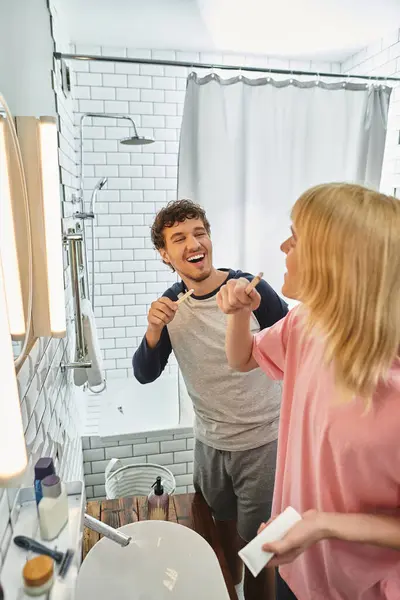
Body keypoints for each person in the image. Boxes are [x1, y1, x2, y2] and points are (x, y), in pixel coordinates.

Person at [217, 182, 400, 600]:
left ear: (336, 262)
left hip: (358, 587)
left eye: (295, 238)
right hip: (296, 557)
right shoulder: (308, 325)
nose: (283, 246)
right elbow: (241, 358)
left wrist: (323, 524)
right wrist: (239, 315)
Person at [133, 199, 288, 599]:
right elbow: (144, 373)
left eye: (199, 233)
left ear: (209, 239)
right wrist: (153, 332)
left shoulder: (249, 289)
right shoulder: (170, 308)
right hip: (210, 444)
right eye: (179, 238)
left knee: (259, 551)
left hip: (264, 443)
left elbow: (292, 345)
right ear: (164, 254)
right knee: (220, 539)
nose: (193, 243)